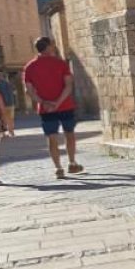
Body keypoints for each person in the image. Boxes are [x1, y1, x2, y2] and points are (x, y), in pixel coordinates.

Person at [23, 37, 81, 178]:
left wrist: (44, 102)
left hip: (46, 109)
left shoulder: (29, 67)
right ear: (49, 47)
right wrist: (58, 102)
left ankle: (58, 168)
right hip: (65, 106)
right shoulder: (60, 64)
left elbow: (29, 91)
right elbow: (68, 85)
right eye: (52, 45)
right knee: (69, 134)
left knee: (51, 137)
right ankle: (72, 163)